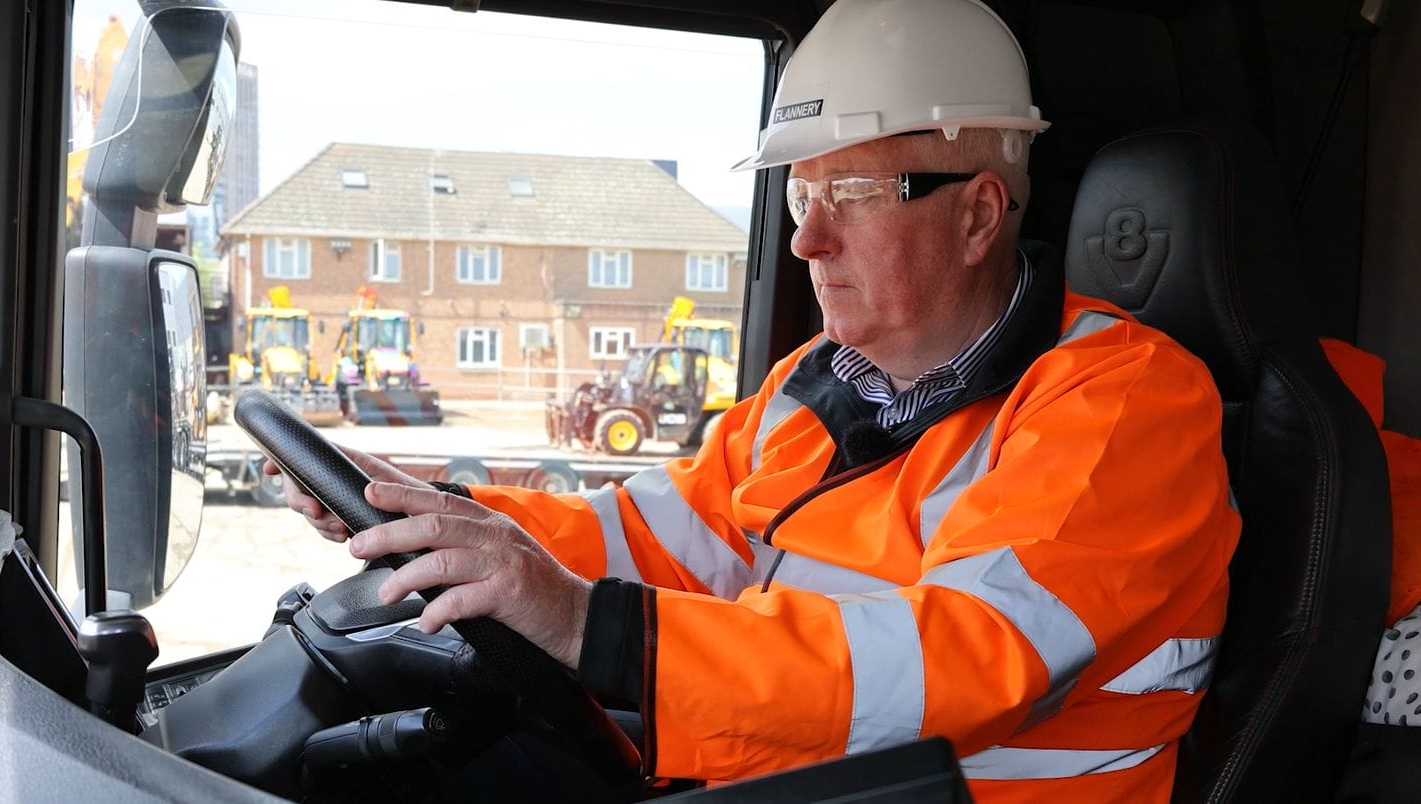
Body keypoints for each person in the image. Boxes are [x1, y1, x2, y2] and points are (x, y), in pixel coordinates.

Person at [270, 0, 1239, 799]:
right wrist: (440, 516)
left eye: (852, 194)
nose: (808, 242)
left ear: (978, 213)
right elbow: (655, 535)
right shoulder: (811, 385)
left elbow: (965, 658)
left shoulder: (1126, 402)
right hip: (778, 776)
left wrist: (587, 626)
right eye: (797, 197)